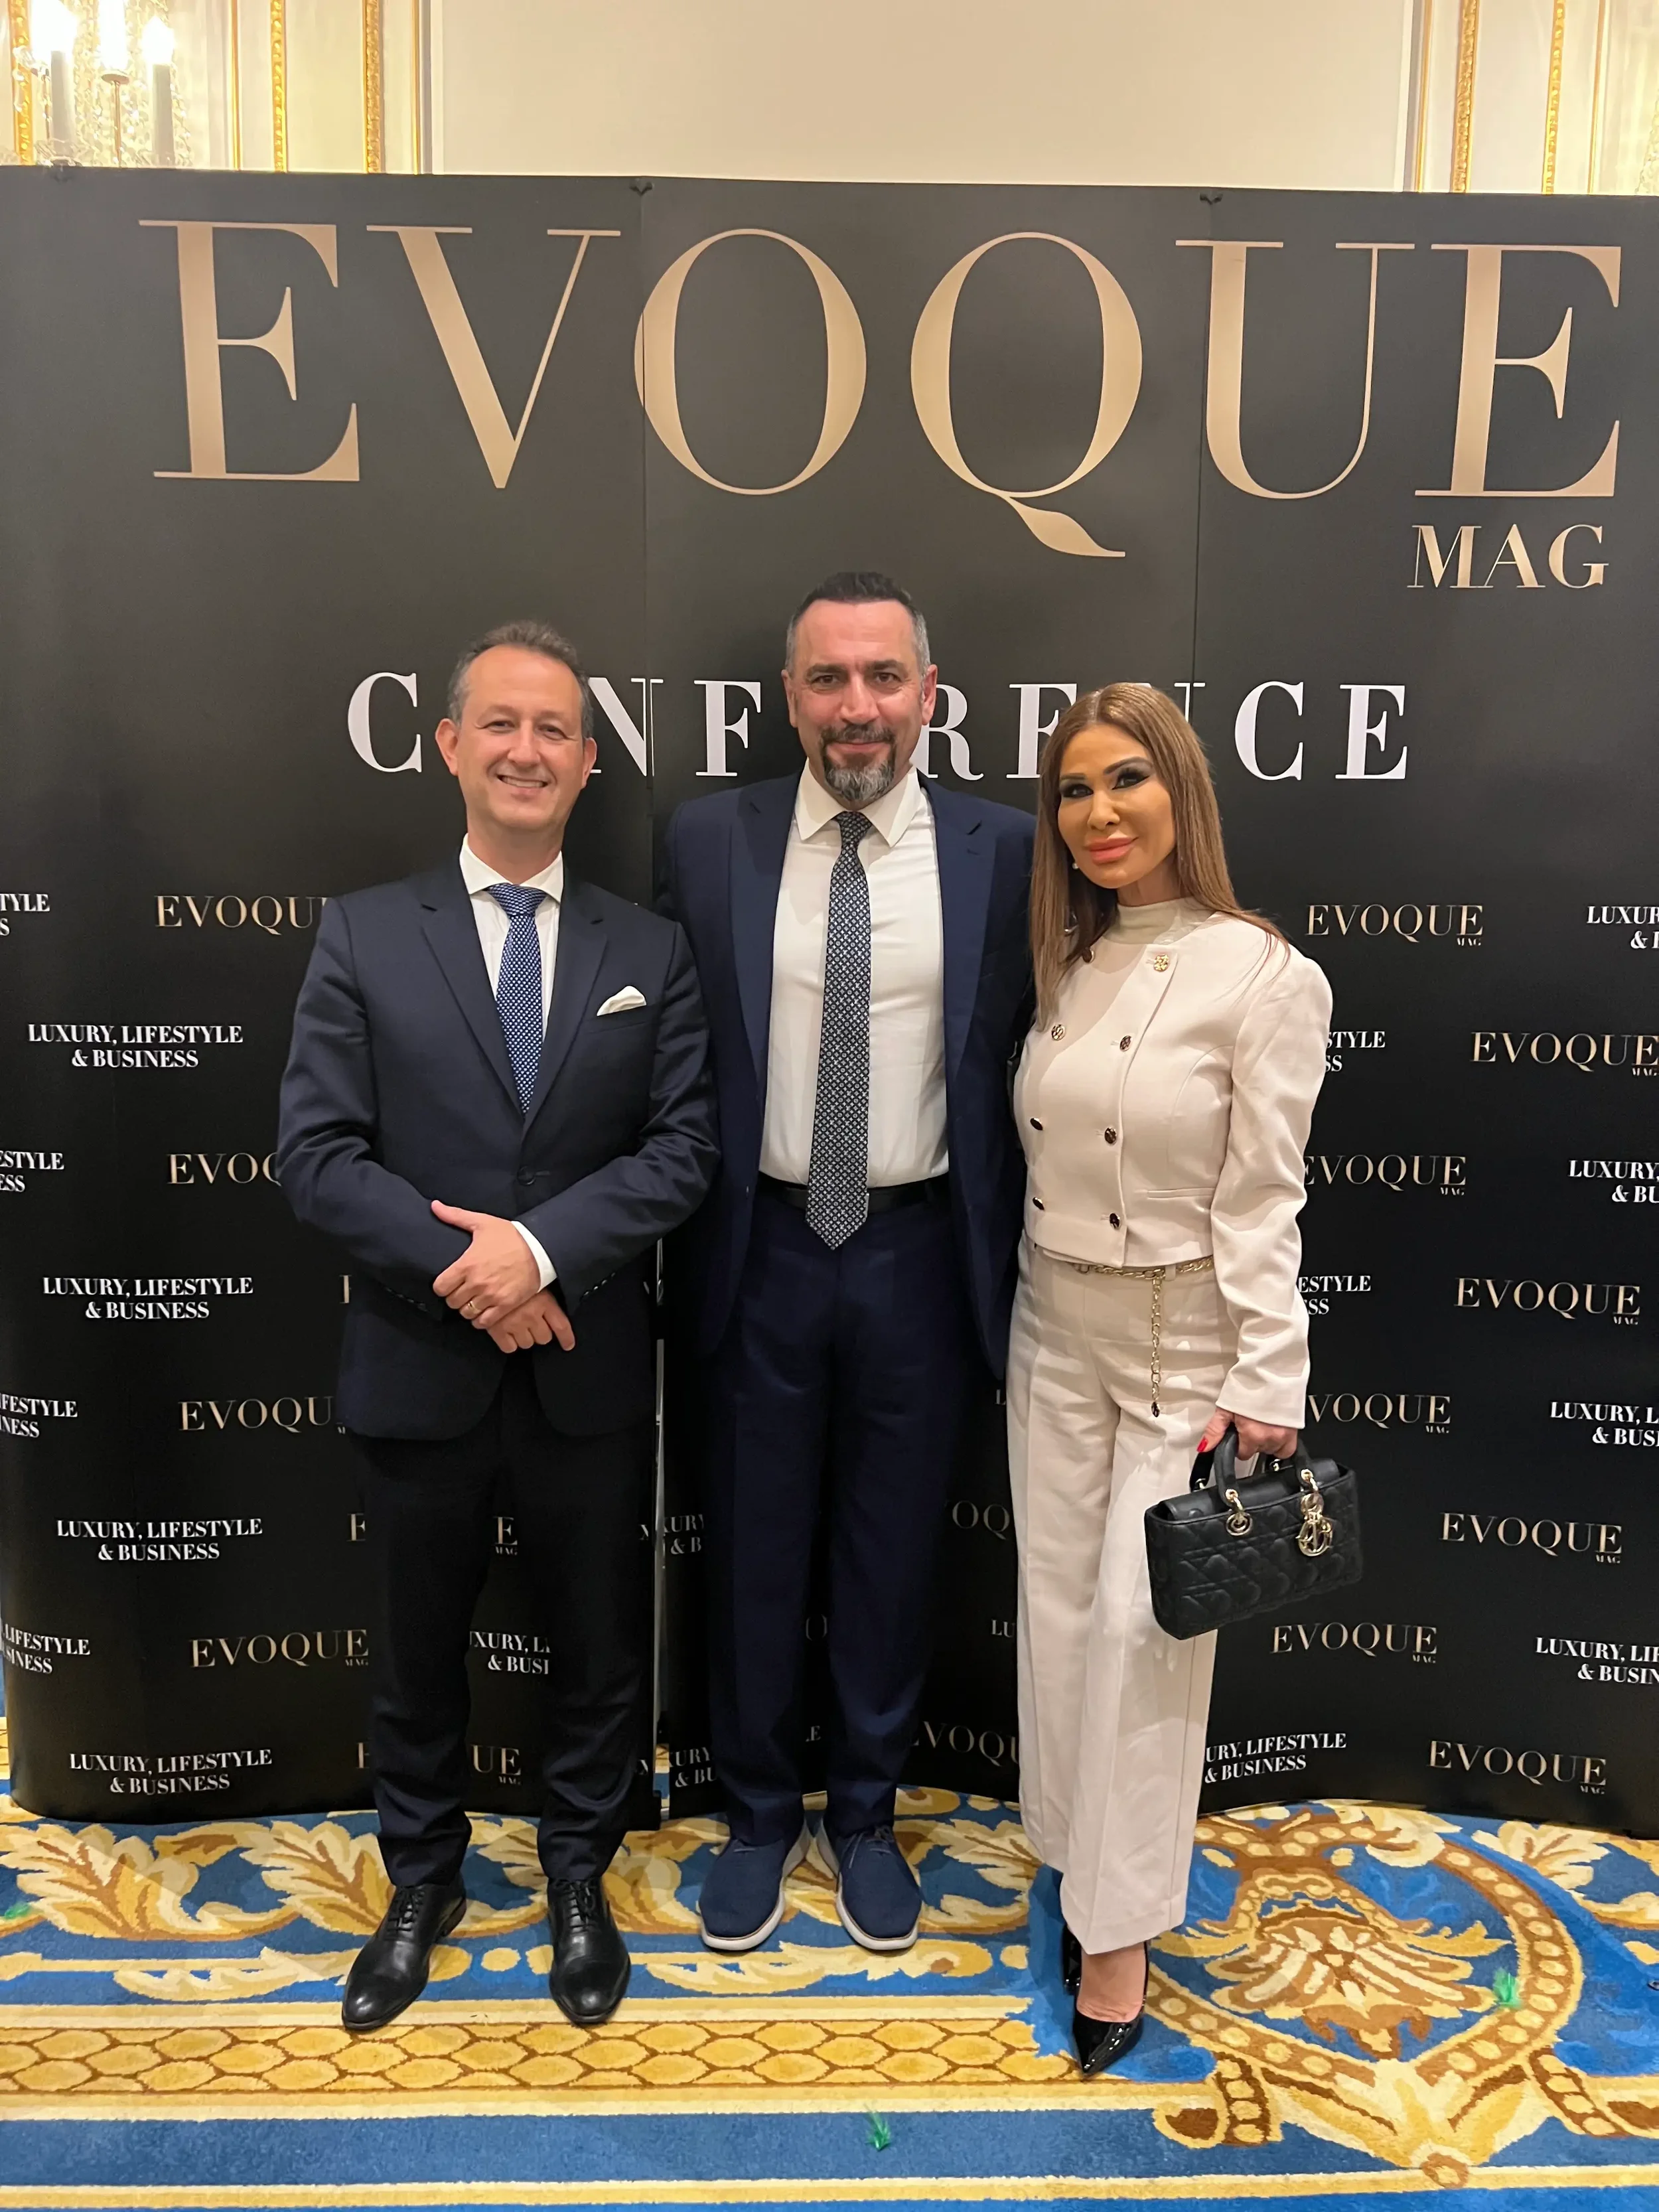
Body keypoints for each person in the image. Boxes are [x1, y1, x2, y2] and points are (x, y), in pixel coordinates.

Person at [277, 620, 717, 2033]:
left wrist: (536, 1253)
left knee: (599, 1646)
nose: (528, 750)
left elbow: (681, 1152)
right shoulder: (363, 931)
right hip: (420, 1370)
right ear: (450, 745)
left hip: (589, 1376)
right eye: (502, 724)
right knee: (416, 1652)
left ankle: (580, 1872)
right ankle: (423, 1880)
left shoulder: (650, 948)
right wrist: (472, 1273)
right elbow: (316, 1157)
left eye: (555, 731)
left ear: (588, 763)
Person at [660, 572, 1033, 1954]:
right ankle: (760, 1814)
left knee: (890, 1549)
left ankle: (866, 1813)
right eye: (828, 678)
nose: (856, 706)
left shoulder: (1006, 848)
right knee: (753, 1545)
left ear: (928, 694)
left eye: (883, 677)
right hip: (757, 1246)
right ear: (789, 697)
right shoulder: (707, 839)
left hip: (922, 1253)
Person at [1008, 684, 1330, 2075]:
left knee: (1144, 1645)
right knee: (1054, 1605)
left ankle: (1122, 1929)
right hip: (1049, 1321)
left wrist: (1269, 1369)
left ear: (1181, 789)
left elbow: (1264, 1196)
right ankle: (1068, 1849)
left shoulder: (1263, 975)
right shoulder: (1066, 961)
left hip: (1179, 1342)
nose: (1098, 814)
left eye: (1125, 779)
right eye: (1073, 790)